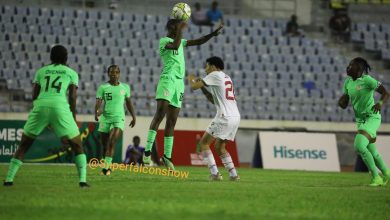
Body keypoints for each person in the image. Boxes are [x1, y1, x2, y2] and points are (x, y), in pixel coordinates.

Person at [3, 45, 89, 188]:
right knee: (77, 145)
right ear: (66, 58)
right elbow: (72, 96)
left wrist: (41, 112)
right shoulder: (71, 73)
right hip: (60, 107)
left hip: (41, 106)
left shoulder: (41, 71)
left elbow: (34, 95)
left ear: (51, 57)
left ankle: (8, 180)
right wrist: (73, 116)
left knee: (23, 146)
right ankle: (83, 181)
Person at [142, 19, 223, 171]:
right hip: (167, 80)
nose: (178, 28)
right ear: (171, 27)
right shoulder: (164, 41)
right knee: (159, 115)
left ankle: (167, 157)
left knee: (172, 121)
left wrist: (212, 34)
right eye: (176, 26)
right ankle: (146, 151)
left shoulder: (181, 40)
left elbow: (199, 41)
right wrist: (180, 29)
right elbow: (175, 45)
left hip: (178, 84)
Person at [338, 57, 390, 186]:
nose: (348, 67)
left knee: (359, 145)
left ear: (359, 69)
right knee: (372, 152)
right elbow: (345, 100)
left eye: (351, 65)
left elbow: (385, 93)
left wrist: (380, 103)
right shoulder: (347, 82)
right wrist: (342, 102)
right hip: (360, 120)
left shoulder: (367, 80)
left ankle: (376, 177)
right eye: (348, 65)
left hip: (372, 117)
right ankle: (387, 173)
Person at [188, 56, 240, 181]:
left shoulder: (215, 74)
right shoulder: (227, 77)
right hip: (235, 117)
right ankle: (234, 175)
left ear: (213, 66)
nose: (205, 69)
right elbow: (213, 99)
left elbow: (193, 87)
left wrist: (191, 79)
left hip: (224, 116)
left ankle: (215, 174)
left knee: (204, 143)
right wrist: (202, 87)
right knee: (219, 147)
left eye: (207, 66)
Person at [95, 65, 136, 176]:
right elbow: (99, 101)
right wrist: (96, 111)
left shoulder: (125, 87)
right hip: (106, 118)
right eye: (112, 72)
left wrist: (133, 116)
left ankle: (105, 169)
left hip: (119, 118)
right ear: (108, 73)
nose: (114, 74)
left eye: (116, 72)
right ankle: (106, 166)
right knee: (104, 145)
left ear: (119, 73)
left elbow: (128, 102)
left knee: (111, 142)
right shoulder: (103, 87)